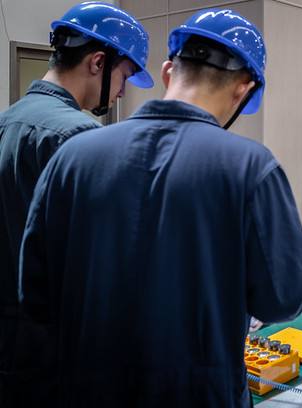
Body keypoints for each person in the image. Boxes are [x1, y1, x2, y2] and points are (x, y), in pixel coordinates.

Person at [17, 9, 302, 405]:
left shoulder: (73, 157)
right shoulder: (251, 168)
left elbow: (35, 293)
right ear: (244, 90)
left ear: (167, 72)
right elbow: (280, 299)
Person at [0, 2, 152, 404]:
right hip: (59, 347)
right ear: (98, 62)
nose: (122, 91)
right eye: (125, 76)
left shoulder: (6, 122)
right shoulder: (80, 136)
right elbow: (110, 259)